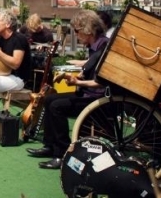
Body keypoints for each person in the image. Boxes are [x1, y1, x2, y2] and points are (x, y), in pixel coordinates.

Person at [27, 9, 109, 169]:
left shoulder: (103, 47)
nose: (76, 35)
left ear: (88, 30)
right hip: (88, 94)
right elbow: (88, 73)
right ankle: (50, 146)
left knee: (57, 107)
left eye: (77, 32)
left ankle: (61, 153)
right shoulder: (96, 46)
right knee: (49, 99)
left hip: (99, 98)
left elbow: (101, 83)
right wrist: (71, 77)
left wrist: (76, 82)